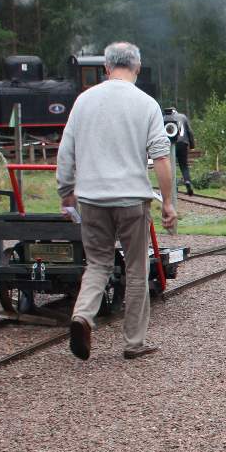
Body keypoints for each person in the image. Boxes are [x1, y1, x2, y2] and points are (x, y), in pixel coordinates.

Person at [57, 41, 176, 361]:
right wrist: (168, 203)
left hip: (92, 199)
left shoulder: (83, 101)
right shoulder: (146, 103)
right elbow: (161, 158)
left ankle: (82, 316)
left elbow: (65, 152)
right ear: (136, 68)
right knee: (137, 269)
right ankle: (133, 343)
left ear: (106, 68)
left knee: (97, 263)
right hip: (131, 200)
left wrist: (66, 193)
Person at [162, 106, 195, 195]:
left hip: (170, 144)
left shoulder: (164, 118)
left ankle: (174, 186)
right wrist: (192, 145)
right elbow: (190, 131)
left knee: (170, 166)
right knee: (184, 165)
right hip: (183, 143)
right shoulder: (183, 117)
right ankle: (187, 181)